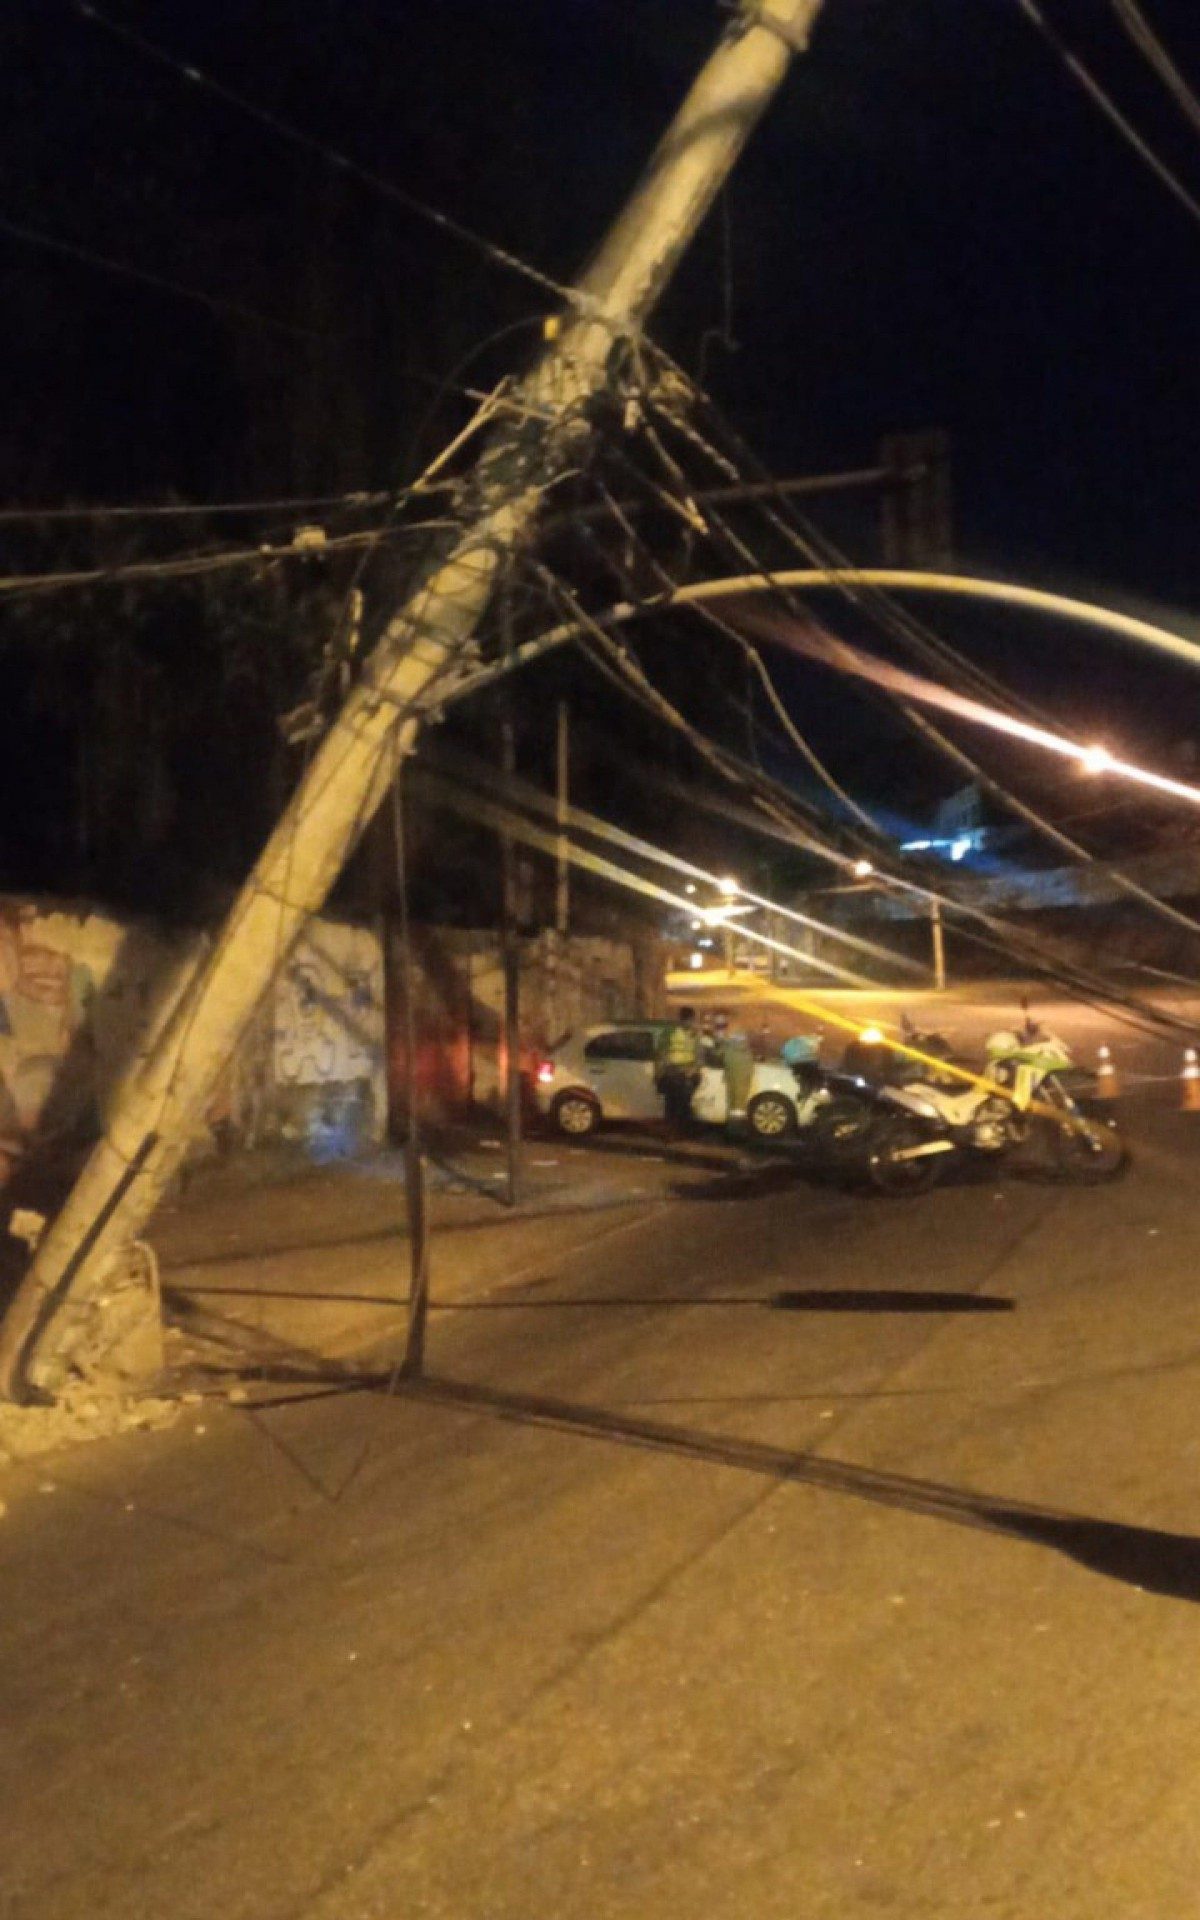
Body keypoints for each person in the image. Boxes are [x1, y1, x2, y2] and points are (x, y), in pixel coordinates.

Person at [656, 1005, 702, 1136]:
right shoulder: (671, 1032)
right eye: (692, 1020)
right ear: (687, 1019)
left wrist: (693, 1070)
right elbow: (662, 1053)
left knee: (680, 1104)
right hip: (674, 1072)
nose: (692, 1022)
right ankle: (673, 1132)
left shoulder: (692, 1034)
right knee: (674, 1104)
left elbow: (699, 1055)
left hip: (685, 1073)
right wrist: (660, 1073)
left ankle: (678, 1131)